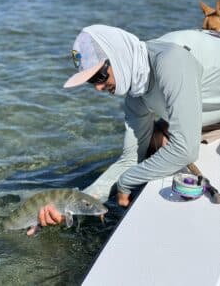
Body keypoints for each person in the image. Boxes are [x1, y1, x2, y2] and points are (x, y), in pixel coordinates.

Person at [27, 25, 220, 235]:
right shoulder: (136, 91)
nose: (98, 88)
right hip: (207, 113)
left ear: (118, 56)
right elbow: (130, 160)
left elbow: (184, 151)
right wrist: (69, 205)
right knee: (153, 147)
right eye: (91, 81)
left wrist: (126, 181)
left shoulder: (171, 62)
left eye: (99, 76)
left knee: (166, 149)